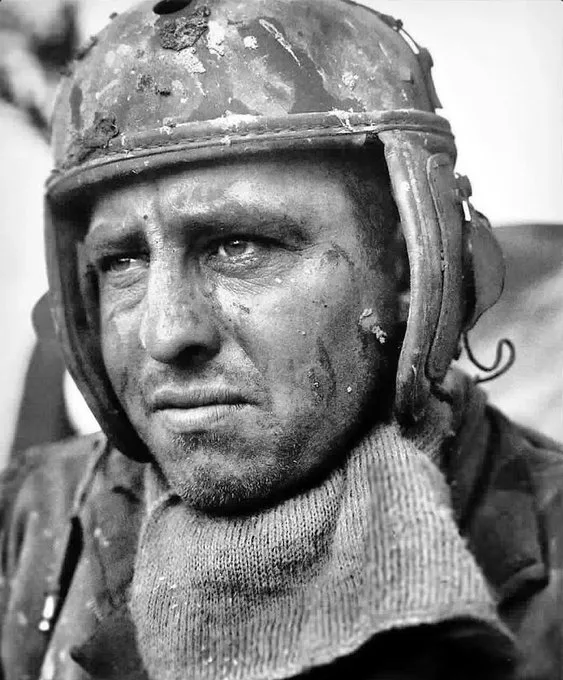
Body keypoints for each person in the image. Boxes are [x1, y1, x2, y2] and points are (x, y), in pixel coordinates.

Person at [0, 0, 562, 678]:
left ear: (408, 267)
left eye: (238, 246)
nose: (166, 332)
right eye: (122, 261)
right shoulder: (29, 520)